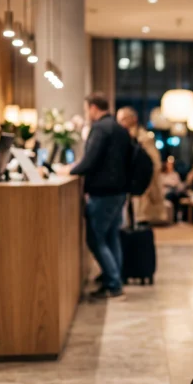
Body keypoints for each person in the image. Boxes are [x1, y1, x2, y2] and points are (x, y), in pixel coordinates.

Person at [60, 93, 132, 299]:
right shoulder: (119, 128)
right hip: (119, 191)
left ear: (93, 108)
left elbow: (90, 160)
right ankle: (114, 278)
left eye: (86, 109)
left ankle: (113, 283)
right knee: (111, 236)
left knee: (95, 238)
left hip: (104, 192)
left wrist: (70, 171)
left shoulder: (100, 128)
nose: (86, 113)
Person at [116, 107, 164, 225]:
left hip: (141, 188)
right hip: (129, 187)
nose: (120, 123)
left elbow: (155, 164)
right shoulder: (125, 137)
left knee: (141, 222)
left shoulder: (144, 138)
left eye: (123, 119)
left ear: (134, 119)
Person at [160, 158, 184, 222]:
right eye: (168, 165)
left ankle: (177, 217)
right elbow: (162, 183)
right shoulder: (162, 174)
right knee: (172, 195)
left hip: (175, 192)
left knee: (177, 195)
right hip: (165, 193)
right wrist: (170, 184)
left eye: (171, 165)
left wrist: (172, 184)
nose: (170, 166)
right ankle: (174, 217)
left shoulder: (175, 174)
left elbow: (179, 185)